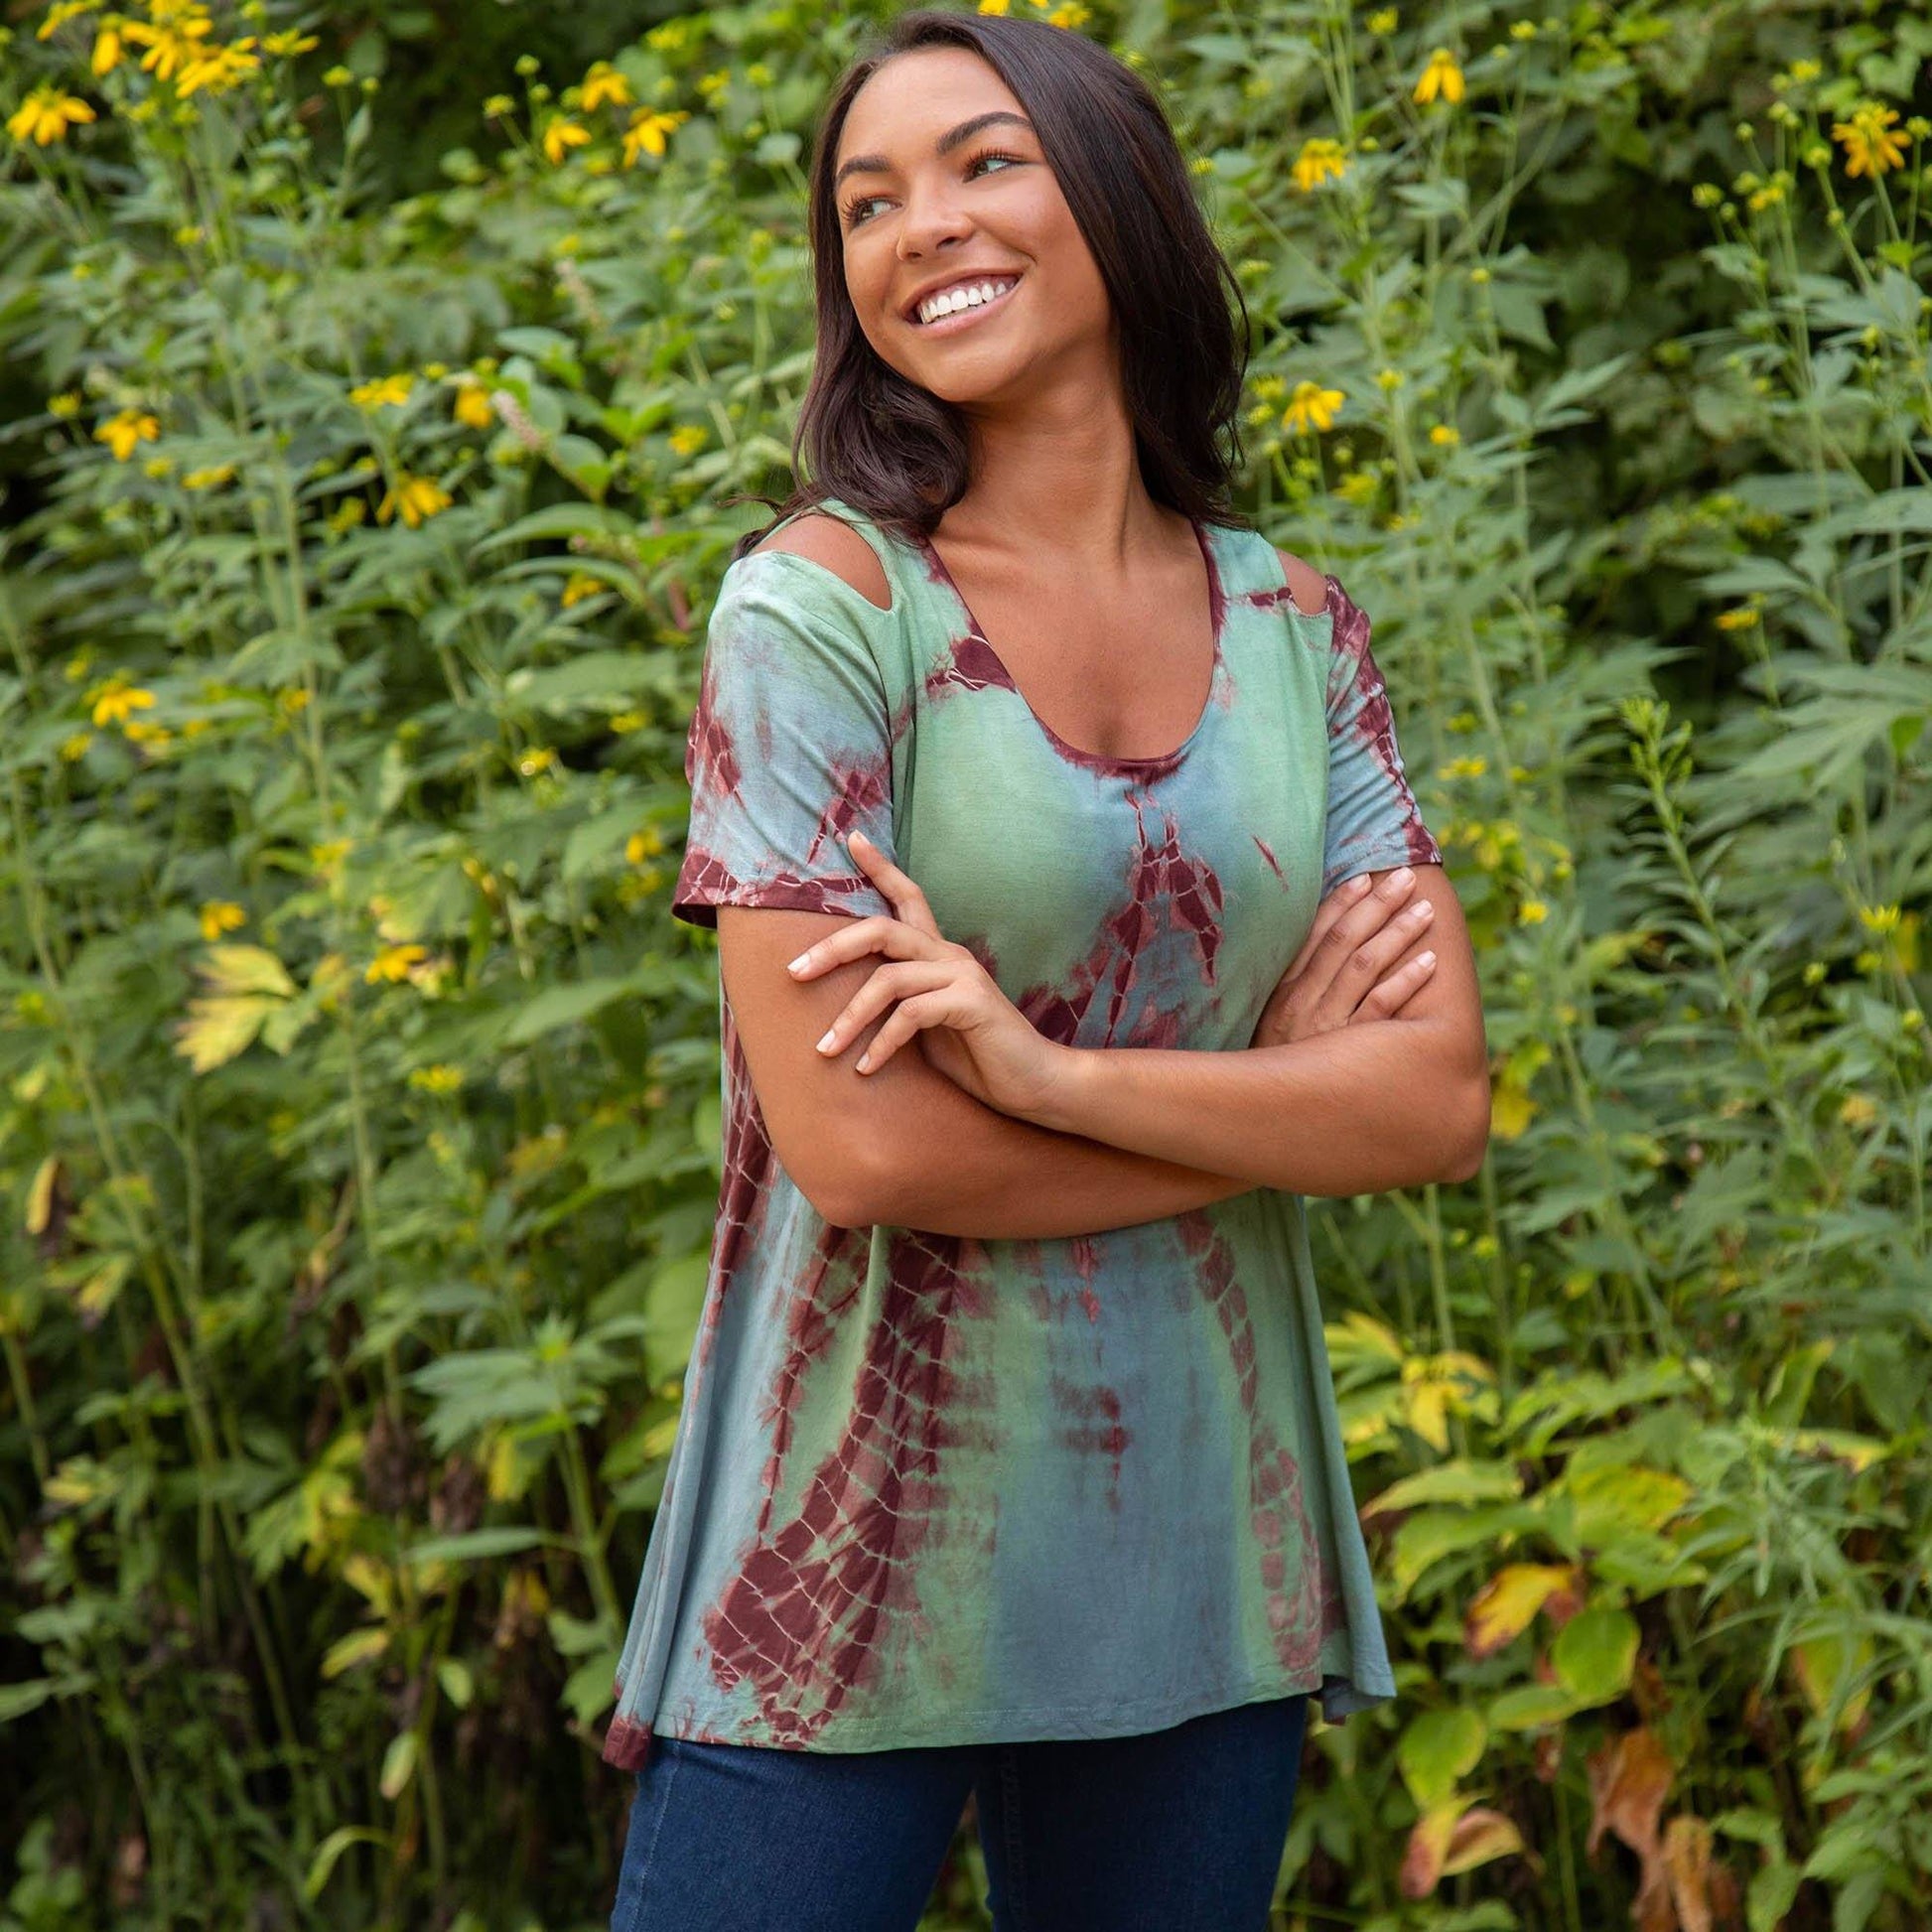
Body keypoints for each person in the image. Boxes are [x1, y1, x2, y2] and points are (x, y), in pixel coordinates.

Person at [605, 10, 1487, 1929]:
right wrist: (1273, 1103)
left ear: (1119, 200)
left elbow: (1429, 1099)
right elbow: (866, 1150)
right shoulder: (823, 609)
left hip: (1199, 1549)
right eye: (867, 200)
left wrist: (1044, 1071)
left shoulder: (1298, 627)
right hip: (843, 1565)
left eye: (982, 162)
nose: (919, 224)